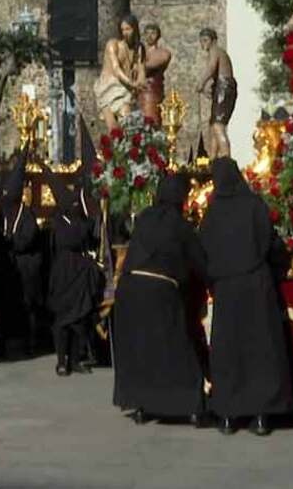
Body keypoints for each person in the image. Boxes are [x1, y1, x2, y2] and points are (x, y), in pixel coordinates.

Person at [199, 158, 293, 437]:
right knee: (260, 348)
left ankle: (228, 414)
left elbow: (204, 248)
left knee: (229, 351)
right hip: (256, 286)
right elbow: (269, 242)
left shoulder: (213, 212)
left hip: (227, 289)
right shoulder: (254, 205)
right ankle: (262, 414)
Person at [112, 174, 209, 426]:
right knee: (175, 348)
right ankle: (189, 404)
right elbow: (199, 263)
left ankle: (143, 403)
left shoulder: (145, 218)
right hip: (158, 291)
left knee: (141, 349)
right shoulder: (180, 226)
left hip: (130, 288)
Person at [46, 172, 104, 377]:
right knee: (63, 319)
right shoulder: (59, 222)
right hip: (64, 272)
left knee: (79, 319)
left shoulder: (80, 219)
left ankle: (77, 358)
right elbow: (69, 240)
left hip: (80, 271)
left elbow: (89, 237)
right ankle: (62, 360)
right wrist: (84, 230)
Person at [0, 150, 42, 356]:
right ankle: (4, 341)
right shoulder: (4, 214)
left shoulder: (27, 216)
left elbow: (28, 238)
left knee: (28, 306)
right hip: (7, 267)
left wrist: (11, 242)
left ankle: (30, 343)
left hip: (25, 267)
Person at [93, 14, 145, 131]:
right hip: (108, 88)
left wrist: (140, 82)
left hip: (125, 89)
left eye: (128, 29)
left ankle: (128, 148)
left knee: (127, 121)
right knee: (113, 128)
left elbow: (141, 69)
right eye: (122, 30)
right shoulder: (113, 45)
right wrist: (132, 83)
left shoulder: (139, 48)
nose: (125, 33)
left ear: (134, 29)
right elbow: (116, 69)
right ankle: (114, 148)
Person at [195, 28, 236, 160]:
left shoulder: (215, 51)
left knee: (218, 125)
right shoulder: (218, 53)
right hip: (221, 87)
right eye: (202, 41)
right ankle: (213, 159)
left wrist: (201, 82)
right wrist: (208, 88)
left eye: (206, 40)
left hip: (224, 87)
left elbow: (212, 67)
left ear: (213, 41)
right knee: (214, 125)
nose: (204, 44)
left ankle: (225, 157)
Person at [139, 24, 171, 122]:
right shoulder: (140, 52)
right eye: (147, 33)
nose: (150, 36)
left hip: (152, 91)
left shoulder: (163, 53)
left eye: (153, 33)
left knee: (150, 121)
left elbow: (147, 67)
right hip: (137, 91)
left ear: (158, 35)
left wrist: (138, 65)